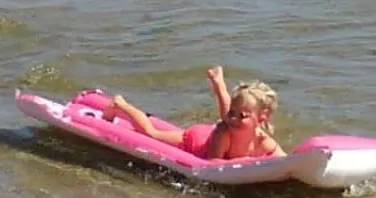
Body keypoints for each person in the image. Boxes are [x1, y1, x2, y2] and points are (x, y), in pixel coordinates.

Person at [106, 66, 285, 159]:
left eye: (243, 115)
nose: (235, 118)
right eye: (234, 112)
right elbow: (213, 163)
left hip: (223, 129)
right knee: (152, 133)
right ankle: (120, 104)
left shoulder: (263, 140)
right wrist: (249, 164)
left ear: (261, 119)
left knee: (227, 119)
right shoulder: (224, 134)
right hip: (196, 140)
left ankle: (219, 84)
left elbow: (285, 159)